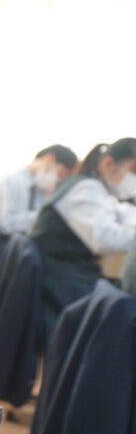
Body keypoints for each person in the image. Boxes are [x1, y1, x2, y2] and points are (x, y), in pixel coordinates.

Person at [30, 139, 136, 336]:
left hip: (65, 271)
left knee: (119, 297)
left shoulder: (94, 189)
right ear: (108, 164)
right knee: (122, 308)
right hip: (59, 277)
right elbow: (105, 239)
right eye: (134, 170)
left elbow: (122, 213)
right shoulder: (86, 188)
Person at [0, 144, 79, 235]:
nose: (58, 180)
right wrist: (47, 216)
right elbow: (7, 226)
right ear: (49, 159)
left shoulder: (41, 189)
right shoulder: (10, 182)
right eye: (60, 174)